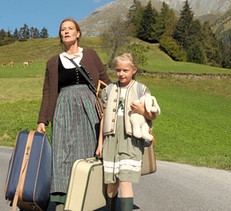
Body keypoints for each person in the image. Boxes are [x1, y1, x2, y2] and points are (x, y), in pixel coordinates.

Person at [36, 18, 111, 210]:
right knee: (62, 154)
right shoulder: (53, 62)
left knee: (89, 151)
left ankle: (89, 198)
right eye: (62, 29)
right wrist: (42, 119)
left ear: (78, 33)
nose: (66, 32)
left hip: (89, 109)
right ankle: (62, 200)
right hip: (63, 109)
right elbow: (47, 91)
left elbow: (106, 83)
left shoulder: (91, 55)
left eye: (70, 28)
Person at [96, 52, 157, 211]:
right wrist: (100, 143)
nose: (121, 74)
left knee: (125, 180)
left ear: (134, 70)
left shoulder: (141, 89)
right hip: (111, 139)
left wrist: (142, 111)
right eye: (118, 70)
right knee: (111, 184)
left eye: (125, 70)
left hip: (131, 139)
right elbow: (103, 117)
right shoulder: (108, 90)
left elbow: (152, 115)